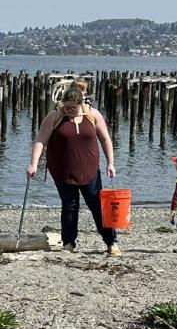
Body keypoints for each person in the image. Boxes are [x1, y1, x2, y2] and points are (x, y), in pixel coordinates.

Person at [27, 88, 120, 256]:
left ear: (81, 103)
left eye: (74, 107)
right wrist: (33, 164)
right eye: (67, 107)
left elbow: (105, 138)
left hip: (90, 170)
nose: (70, 110)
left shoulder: (93, 115)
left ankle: (111, 242)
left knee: (98, 207)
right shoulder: (54, 117)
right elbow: (40, 141)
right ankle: (68, 243)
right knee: (69, 207)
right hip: (62, 171)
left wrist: (111, 163)